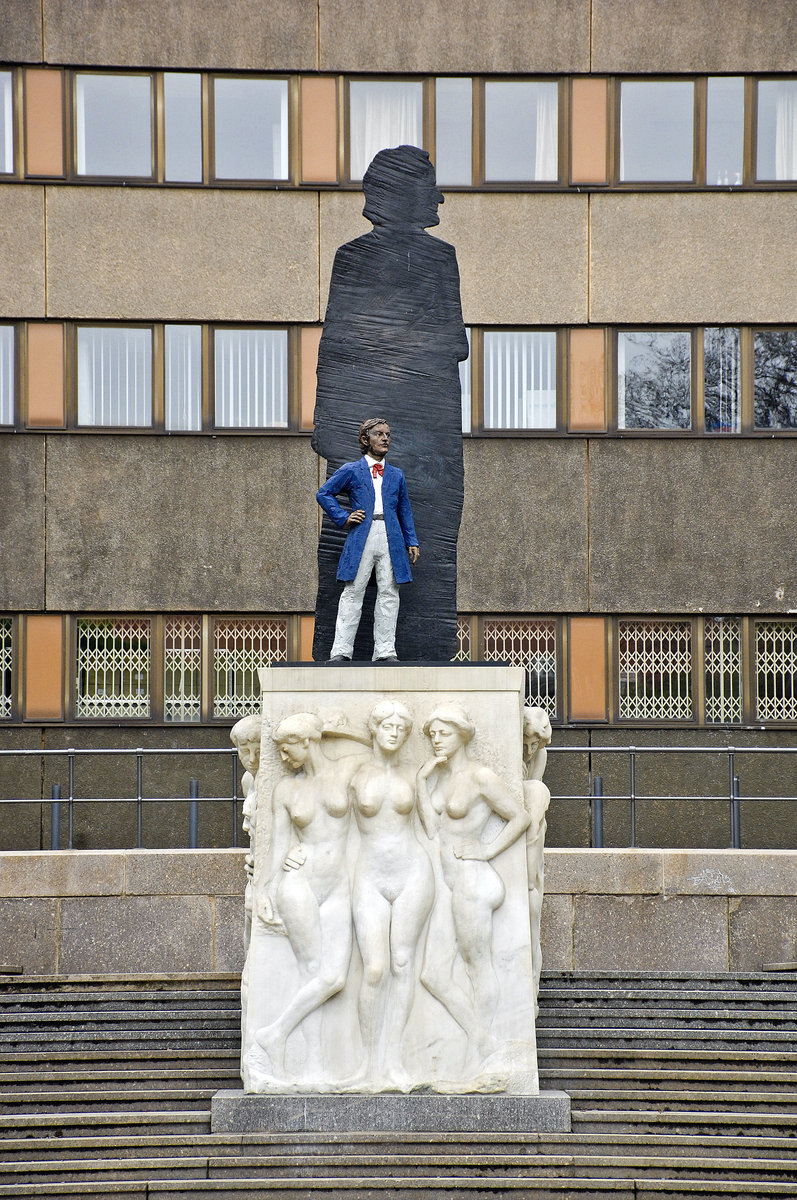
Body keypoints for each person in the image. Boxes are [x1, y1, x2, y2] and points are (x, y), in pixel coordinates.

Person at [312, 145, 468, 663]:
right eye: (429, 186)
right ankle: (345, 652)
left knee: (430, 560)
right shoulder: (354, 259)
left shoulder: (439, 258)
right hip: (400, 434)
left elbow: (454, 346)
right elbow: (335, 348)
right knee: (348, 573)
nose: (440, 197)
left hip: (433, 441)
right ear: (400, 194)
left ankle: (408, 650)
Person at [416, 703, 530, 1073]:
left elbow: (520, 817)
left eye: (443, 733)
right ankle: (483, 1040)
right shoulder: (439, 776)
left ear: (462, 735)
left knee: (477, 964)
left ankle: (483, 1050)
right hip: (450, 883)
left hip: (473, 880)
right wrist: (420, 782)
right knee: (432, 974)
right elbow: (433, 829)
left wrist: (485, 851)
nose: (436, 740)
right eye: (432, 734)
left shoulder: (480, 776)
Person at [248, 713, 356, 1084]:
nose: (282, 755)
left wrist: (331, 722)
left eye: (286, 746)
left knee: (333, 978)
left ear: (309, 741)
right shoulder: (287, 790)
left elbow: (376, 743)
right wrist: (264, 888)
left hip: (339, 884)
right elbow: (277, 846)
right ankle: (312, 1067)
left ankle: (275, 1033)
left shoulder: (346, 769)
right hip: (299, 882)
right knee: (314, 974)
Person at [348, 700, 434, 1088]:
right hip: (369, 874)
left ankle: (395, 1060)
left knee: (402, 964)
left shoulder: (414, 772)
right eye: (388, 725)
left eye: (402, 727)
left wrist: (428, 778)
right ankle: (369, 1064)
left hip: (413, 872)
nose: (395, 732)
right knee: (375, 968)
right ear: (374, 728)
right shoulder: (354, 772)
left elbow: (431, 827)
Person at [316, 418, 419, 663]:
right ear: (365, 439)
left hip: (390, 537)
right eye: (379, 434)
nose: (385, 438)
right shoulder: (351, 470)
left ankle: (385, 651)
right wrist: (343, 517)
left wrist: (411, 540)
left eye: (388, 434)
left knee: (389, 593)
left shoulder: (396, 474)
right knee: (352, 592)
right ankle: (340, 651)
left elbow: (405, 509)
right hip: (362, 534)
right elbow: (324, 493)